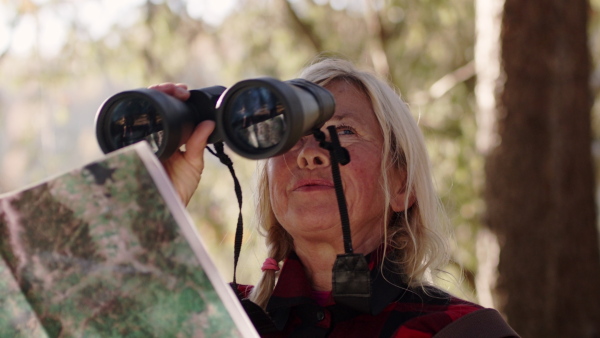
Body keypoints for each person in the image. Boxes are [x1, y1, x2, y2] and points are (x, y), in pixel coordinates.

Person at [151, 58, 519, 337]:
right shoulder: (216, 318)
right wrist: (151, 199)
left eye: (343, 131)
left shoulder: (456, 329)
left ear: (402, 185)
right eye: (290, 135)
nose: (309, 154)